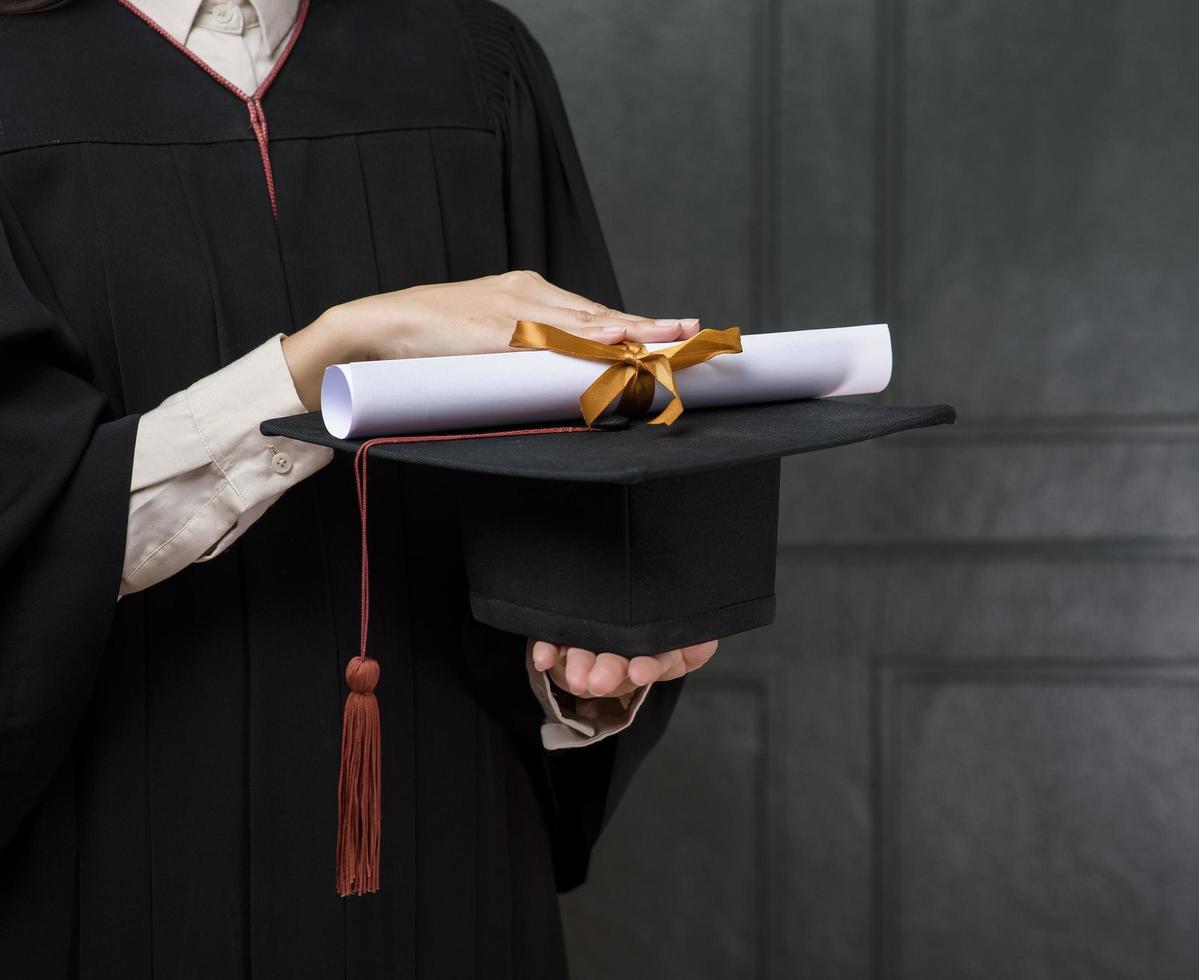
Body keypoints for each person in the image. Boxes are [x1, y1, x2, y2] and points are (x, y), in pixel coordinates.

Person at [0, 0, 717, 975]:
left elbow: (574, 476)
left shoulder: (476, 71)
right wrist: (326, 359)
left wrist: (587, 663)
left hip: (446, 845)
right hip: (112, 860)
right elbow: (28, 528)